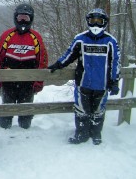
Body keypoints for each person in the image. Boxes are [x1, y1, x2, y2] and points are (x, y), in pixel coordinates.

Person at [48, 8, 121, 145]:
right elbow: (69, 54)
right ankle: (81, 134)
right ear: (88, 21)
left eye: (99, 21)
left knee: (98, 110)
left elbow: (115, 62)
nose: (96, 24)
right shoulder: (80, 38)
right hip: (83, 83)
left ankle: (96, 133)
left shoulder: (110, 41)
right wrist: (58, 64)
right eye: (93, 21)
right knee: (81, 110)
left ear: (104, 23)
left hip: (102, 84)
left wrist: (114, 80)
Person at [0, 3, 48, 129]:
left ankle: (24, 132)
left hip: (28, 82)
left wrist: (38, 81)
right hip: (9, 81)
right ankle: (3, 131)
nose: (23, 21)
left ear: (31, 19)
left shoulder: (36, 37)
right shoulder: (7, 35)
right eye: (20, 18)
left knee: (26, 111)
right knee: (7, 110)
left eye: (26, 18)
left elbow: (42, 60)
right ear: (15, 18)